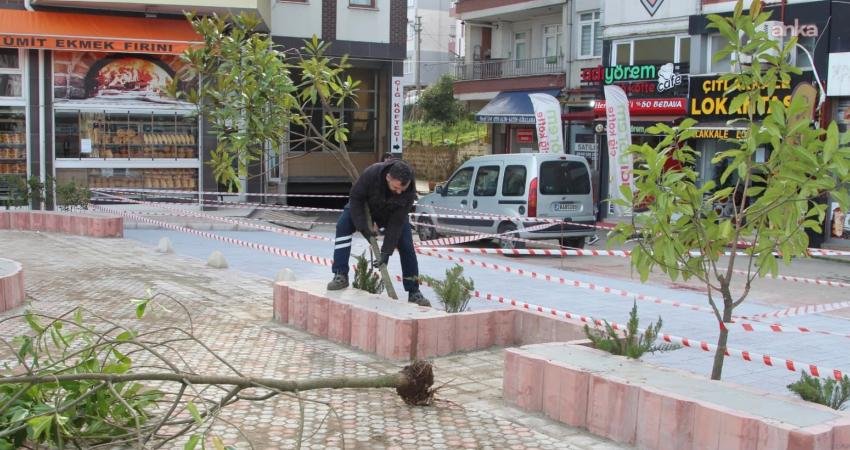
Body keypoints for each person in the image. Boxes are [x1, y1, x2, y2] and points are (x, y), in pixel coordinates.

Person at [327, 159, 431, 307]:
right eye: (396, 188)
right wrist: (363, 227)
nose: (399, 192)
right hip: (365, 207)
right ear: (388, 177)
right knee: (342, 226)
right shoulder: (372, 173)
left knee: (407, 245)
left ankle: (413, 291)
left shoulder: (409, 189)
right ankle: (340, 274)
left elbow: (397, 222)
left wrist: (386, 252)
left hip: (392, 214)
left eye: (402, 189)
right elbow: (356, 199)